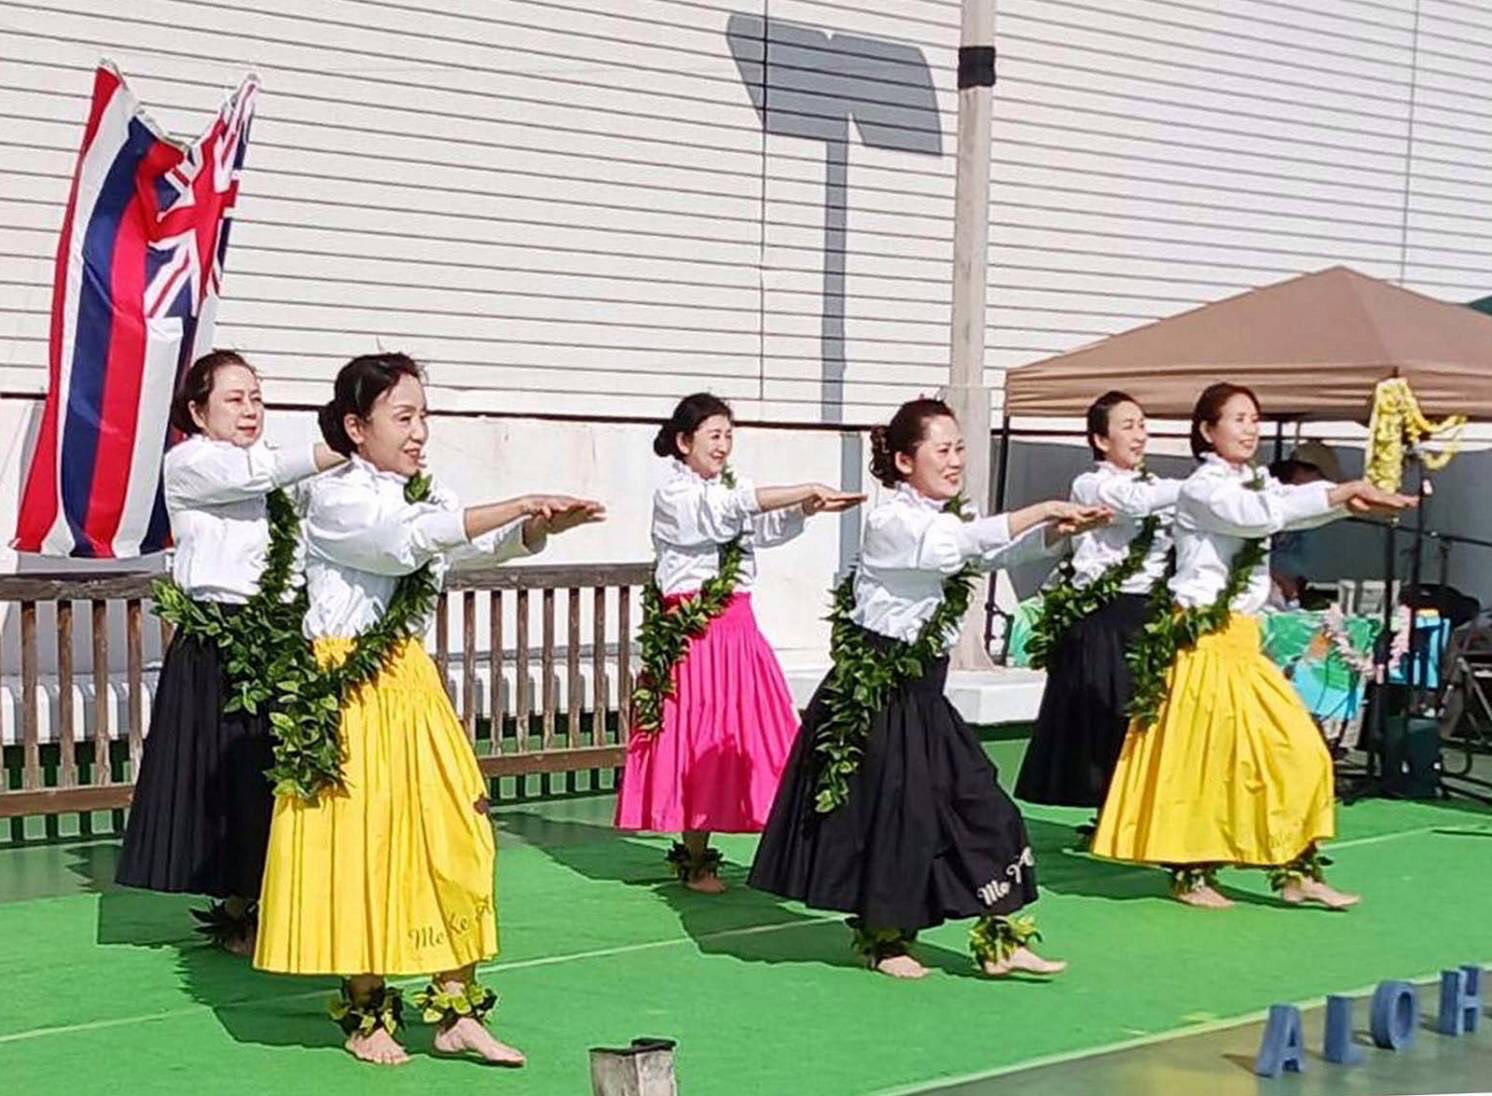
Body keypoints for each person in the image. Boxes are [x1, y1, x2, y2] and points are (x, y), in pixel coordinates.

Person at [252, 352, 605, 1067]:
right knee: (363, 847)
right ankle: (367, 1015)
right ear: (357, 427)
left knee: (457, 833)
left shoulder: (425, 490)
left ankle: (456, 1009)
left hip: (409, 680)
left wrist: (537, 529)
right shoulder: (337, 499)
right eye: (403, 417)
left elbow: (459, 549)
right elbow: (402, 544)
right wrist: (514, 503)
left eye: (423, 416)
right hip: (348, 685)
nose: (419, 432)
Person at [749, 398, 1110, 980]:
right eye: (942, 450)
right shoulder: (892, 521)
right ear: (904, 460)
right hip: (876, 694)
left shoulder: (948, 520)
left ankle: (1000, 938)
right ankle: (885, 940)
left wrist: (1055, 534)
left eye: (960, 448)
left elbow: (986, 549)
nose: (955, 460)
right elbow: (955, 547)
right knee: (892, 822)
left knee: (983, 804)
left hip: (922, 693)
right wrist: (1042, 508)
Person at [1091, 383, 1415, 910]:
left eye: (1254, 419)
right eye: (1238, 419)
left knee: (1300, 749)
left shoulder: (1255, 482)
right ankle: (1191, 874)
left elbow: (1282, 506)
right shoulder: (1204, 489)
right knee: (1203, 762)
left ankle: (1296, 869)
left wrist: (1348, 502)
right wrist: (1342, 492)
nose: (1250, 428)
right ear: (1207, 430)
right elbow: (1254, 514)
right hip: (1200, 641)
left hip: (1241, 640)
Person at [116, 350, 342, 954]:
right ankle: (240, 906)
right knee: (230, 777)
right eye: (235, 399)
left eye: (257, 399)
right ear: (198, 411)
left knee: (278, 770)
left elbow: (315, 506)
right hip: (220, 640)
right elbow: (254, 475)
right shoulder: (190, 462)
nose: (250, 410)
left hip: (280, 637)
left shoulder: (277, 474)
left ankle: (277, 899)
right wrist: (343, 444)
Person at [616, 393, 864, 891]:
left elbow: (760, 526)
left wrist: (805, 507)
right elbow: (726, 510)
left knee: (766, 735)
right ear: (684, 442)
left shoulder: (728, 490)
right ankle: (696, 859)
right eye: (714, 435)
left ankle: (795, 846)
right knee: (698, 737)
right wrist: (803, 487)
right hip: (693, 634)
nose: (724, 445)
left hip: (738, 629)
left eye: (729, 436)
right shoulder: (675, 497)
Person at [1015, 391, 1182, 817]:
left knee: (1146, 714)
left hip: (1149, 611)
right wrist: (1204, 484)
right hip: (1103, 614)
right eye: (1128, 426)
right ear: (1101, 440)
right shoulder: (1090, 484)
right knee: (1107, 714)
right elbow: (1130, 503)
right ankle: (1109, 811)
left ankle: (1138, 811)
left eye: (1142, 426)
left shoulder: (1158, 488)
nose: (1140, 435)